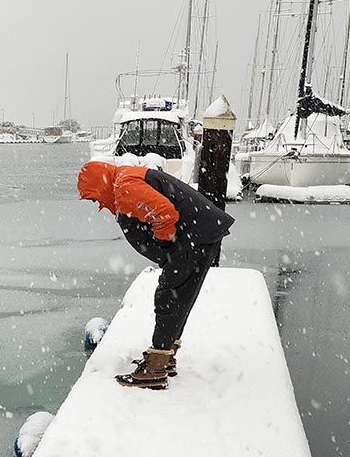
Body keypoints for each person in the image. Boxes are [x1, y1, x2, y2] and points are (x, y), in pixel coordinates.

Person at [77, 160, 234, 389]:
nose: (98, 203)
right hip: (200, 234)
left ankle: (155, 368)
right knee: (180, 297)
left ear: (100, 184)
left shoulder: (124, 187)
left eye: (93, 197)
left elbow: (164, 213)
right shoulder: (124, 179)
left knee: (169, 298)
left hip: (192, 239)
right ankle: (165, 357)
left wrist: (166, 244)